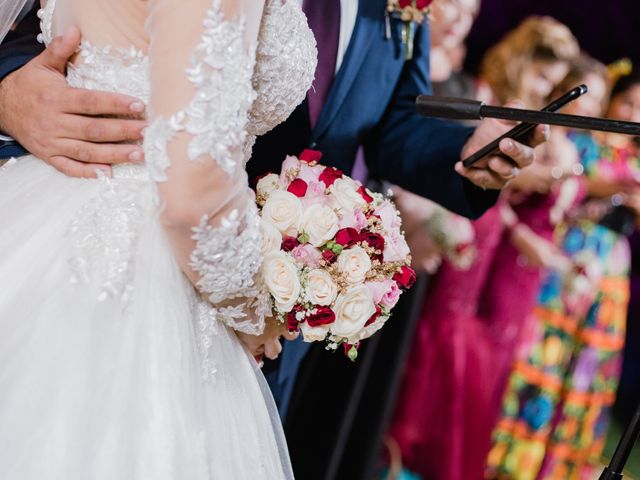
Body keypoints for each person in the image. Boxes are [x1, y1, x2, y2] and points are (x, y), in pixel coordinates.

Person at [0, 0, 546, 433]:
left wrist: (465, 151)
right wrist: (7, 93)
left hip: (284, 267)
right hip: (152, 237)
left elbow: (394, 117)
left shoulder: (401, 9)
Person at [387, 16, 579, 480]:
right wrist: (548, 176)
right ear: (522, 59)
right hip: (473, 226)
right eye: (540, 75)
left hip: (492, 241)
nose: (542, 84)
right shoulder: (487, 97)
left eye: (552, 82)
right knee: (440, 341)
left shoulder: (532, 115)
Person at [487, 67, 640, 480]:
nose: (633, 112)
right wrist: (619, 186)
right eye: (628, 102)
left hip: (610, 269)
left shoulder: (634, 159)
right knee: (544, 350)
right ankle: (511, 459)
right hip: (569, 253)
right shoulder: (586, 145)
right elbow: (578, 184)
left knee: (587, 361)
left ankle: (558, 468)